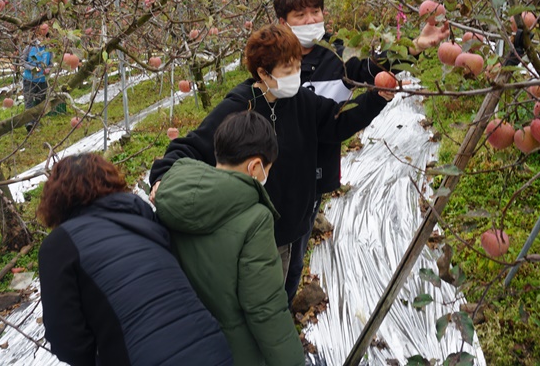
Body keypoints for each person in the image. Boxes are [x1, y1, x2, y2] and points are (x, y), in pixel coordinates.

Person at [150, 24, 393, 282]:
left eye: (298, 67)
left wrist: (376, 98)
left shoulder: (302, 100)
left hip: (297, 223)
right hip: (257, 235)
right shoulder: (239, 107)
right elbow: (192, 146)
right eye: (287, 70)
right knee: (266, 297)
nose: (296, 76)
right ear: (263, 73)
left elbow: (337, 121)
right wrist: (163, 176)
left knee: (290, 280)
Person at [273, 0, 450, 304]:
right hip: (272, 173)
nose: (311, 19)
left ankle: (280, 309)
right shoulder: (273, 60)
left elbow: (374, 69)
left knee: (294, 254)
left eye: (316, 12)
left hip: (313, 173)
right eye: (300, 15)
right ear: (283, 22)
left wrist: (415, 46)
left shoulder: (338, 56)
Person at [37, 153, 233, 366]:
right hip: (212, 348)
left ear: (54, 198)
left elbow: (65, 339)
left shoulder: (59, 245)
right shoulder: (142, 218)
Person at [156, 111, 304, 366]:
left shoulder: (172, 190)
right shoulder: (254, 219)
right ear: (256, 166)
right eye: (268, 168)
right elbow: (265, 309)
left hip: (180, 340)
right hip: (231, 351)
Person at [21, 32, 52, 132]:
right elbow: (22, 60)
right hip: (29, 79)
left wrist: (48, 69)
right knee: (29, 101)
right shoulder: (30, 47)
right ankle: (29, 124)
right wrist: (32, 68)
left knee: (40, 103)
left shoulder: (49, 50)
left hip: (42, 80)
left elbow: (50, 63)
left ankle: (36, 122)